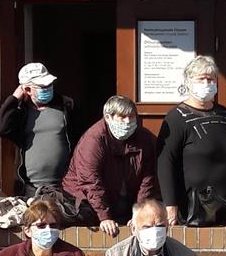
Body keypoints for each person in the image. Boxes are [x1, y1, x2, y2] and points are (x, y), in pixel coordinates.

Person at [157, 56, 226, 227]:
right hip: (193, 208)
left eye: (210, 79)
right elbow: (165, 162)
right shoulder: (176, 117)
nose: (206, 83)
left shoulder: (224, 114)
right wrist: (170, 205)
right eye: (201, 79)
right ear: (188, 82)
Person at [61, 95, 159, 235]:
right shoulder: (93, 140)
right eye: (122, 117)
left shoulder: (144, 138)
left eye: (132, 117)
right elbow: (90, 181)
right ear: (108, 117)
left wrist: (139, 213)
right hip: (85, 199)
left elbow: (147, 179)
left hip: (123, 197)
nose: (128, 122)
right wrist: (104, 217)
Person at [0, 62, 86, 197]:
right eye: (42, 86)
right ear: (27, 90)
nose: (47, 88)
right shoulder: (20, 111)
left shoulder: (66, 105)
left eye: (49, 85)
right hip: (30, 188)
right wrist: (14, 99)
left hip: (64, 186)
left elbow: (81, 141)